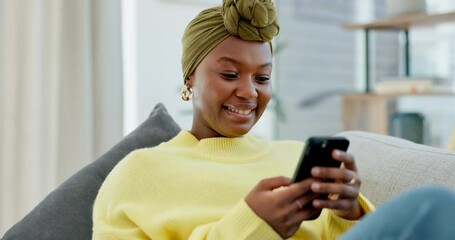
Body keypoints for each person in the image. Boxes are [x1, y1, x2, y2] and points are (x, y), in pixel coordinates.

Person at [93, 0, 455, 239]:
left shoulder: (293, 157)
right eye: (231, 75)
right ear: (190, 78)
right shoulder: (137, 174)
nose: (250, 93)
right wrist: (254, 224)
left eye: (262, 78)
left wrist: (349, 211)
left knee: (436, 207)